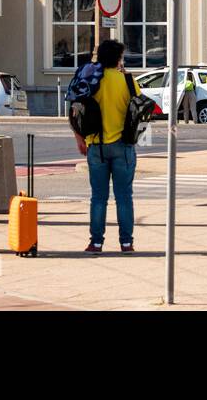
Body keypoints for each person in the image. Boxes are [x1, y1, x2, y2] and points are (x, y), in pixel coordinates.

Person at [76, 39, 137, 254]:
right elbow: (139, 109)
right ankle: (126, 243)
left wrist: (79, 138)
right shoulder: (128, 82)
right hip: (123, 146)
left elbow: (76, 112)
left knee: (98, 197)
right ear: (119, 59)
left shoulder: (91, 83)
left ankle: (96, 242)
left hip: (96, 145)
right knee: (124, 196)